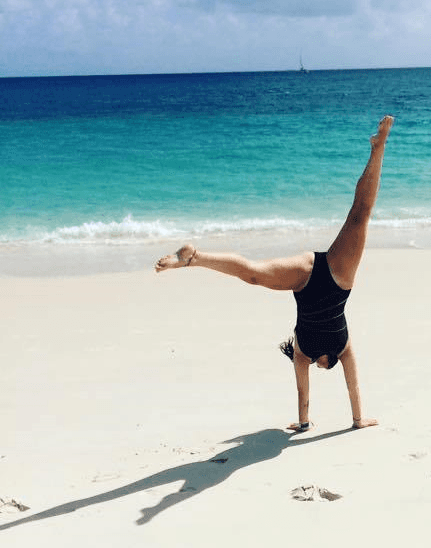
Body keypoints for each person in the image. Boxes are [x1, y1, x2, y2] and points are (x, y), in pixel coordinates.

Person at [155, 115, 394, 433]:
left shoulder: (304, 352)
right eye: (325, 367)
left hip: (313, 275)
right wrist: (356, 420)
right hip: (337, 277)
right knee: (359, 215)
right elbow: (347, 388)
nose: (322, 368)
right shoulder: (335, 349)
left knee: (255, 273)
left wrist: (306, 423)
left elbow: (306, 391)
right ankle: (379, 147)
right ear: (328, 362)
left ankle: (195, 258)